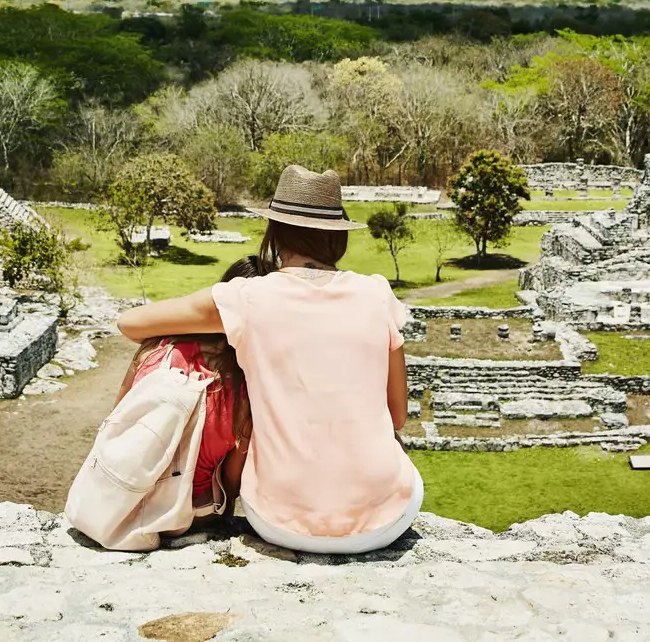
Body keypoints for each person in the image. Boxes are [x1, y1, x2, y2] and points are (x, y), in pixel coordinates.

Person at [114, 166, 420, 555]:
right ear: (337, 237)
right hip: (385, 522)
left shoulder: (248, 298)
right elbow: (396, 416)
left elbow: (131, 324)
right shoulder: (376, 293)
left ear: (274, 233)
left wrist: (228, 330)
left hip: (277, 521)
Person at [112, 257, 258, 515]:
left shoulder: (156, 349)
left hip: (125, 502)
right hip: (191, 515)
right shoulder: (247, 390)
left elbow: (117, 418)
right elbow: (232, 486)